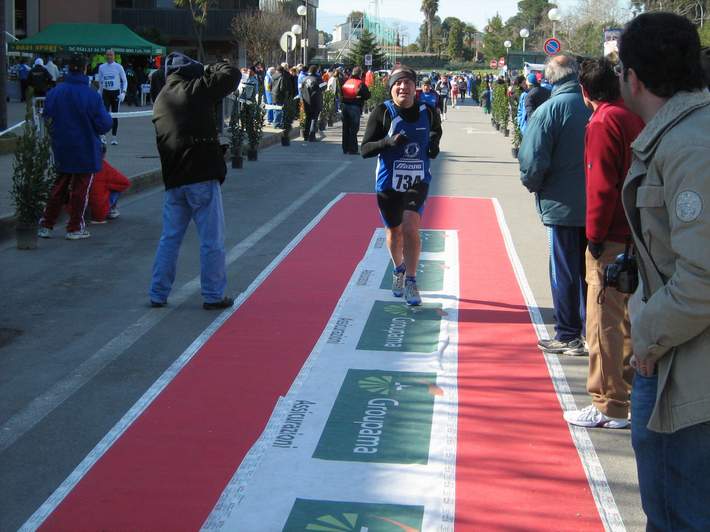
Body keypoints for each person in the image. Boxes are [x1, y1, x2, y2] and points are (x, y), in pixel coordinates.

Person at [617, 13, 710, 529]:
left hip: (686, 369)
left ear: (633, 77)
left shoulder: (690, 145)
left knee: (679, 515)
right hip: (679, 355)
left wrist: (647, 336)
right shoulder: (681, 135)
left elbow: (702, 278)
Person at [562, 57, 644, 430]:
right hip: (635, 232)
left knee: (602, 321)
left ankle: (607, 402)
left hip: (610, 235)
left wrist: (593, 237)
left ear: (584, 92)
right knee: (627, 319)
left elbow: (600, 187)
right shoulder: (631, 115)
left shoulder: (602, 122)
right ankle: (625, 394)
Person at [150, 52, 240, 310]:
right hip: (201, 174)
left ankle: (158, 292)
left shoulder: (160, 100)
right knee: (212, 239)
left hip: (174, 177)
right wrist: (212, 65)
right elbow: (231, 75)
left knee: (170, 238)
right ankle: (213, 295)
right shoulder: (196, 89)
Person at [518, 55, 591, 355]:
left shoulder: (550, 110)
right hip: (598, 205)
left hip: (562, 206)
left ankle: (568, 333)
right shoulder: (594, 105)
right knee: (592, 273)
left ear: (550, 78)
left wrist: (533, 184)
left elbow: (532, 159)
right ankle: (591, 333)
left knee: (564, 271)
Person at [361, 65, 443, 306]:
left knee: (410, 227)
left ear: (415, 88)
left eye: (408, 82)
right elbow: (364, 149)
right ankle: (398, 269)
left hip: (418, 180)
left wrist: (434, 146)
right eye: (398, 83)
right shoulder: (382, 112)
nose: (403, 87)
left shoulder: (427, 111)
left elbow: (436, 132)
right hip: (388, 182)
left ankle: (411, 280)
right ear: (391, 88)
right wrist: (387, 142)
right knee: (394, 232)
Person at [37, 54, 113, 240]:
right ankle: (74, 227)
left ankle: (46, 224)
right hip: (86, 147)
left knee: (59, 186)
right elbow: (104, 124)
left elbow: (47, 115)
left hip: (62, 146)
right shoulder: (91, 95)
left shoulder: (56, 91)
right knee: (81, 189)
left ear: (68, 68)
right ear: (86, 68)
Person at [89, 144, 131, 224]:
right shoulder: (103, 166)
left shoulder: (81, 164)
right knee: (116, 188)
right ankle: (111, 210)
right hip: (99, 213)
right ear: (103, 154)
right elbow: (125, 182)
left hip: (77, 209)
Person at [98, 49, 127, 145]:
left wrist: (123, 92)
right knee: (104, 114)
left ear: (114, 56)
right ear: (105, 56)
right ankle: (103, 136)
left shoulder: (119, 67)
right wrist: (100, 92)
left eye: (110, 55)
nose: (109, 56)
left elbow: (125, 81)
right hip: (106, 93)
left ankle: (114, 137)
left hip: (116, 93)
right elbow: (101, 81)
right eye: (107, 55)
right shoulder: (101, 67)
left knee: (115, 115)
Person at [340, 66, 371, 154]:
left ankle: (345, 148)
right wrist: (361, 96)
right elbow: (367, 95)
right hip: (354, 107)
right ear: (360, 74)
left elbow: (342, 93)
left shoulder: (347, 82)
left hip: (345, 106)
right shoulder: (360, 83)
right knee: (353, 129)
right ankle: (352, 149)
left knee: (345, 128)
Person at [300, 65, 323, 142]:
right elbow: (324, 87)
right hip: (315, 101)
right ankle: (312, 136)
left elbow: (301, 89)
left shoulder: (304, 79)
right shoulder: (318, 79)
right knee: (314, 118)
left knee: (308, 118)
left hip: (306, 101)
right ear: (316, 71)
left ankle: (305, 136)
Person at [271, 63, 292, 129]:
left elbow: (270, 86)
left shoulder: (273, 76)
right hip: (279, 95)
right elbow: (282, 87)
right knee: (279, 109)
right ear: (282, 70)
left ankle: (275, 122)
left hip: (273, 94)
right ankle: (276, 124)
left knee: (275, 109)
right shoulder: (281, 77)